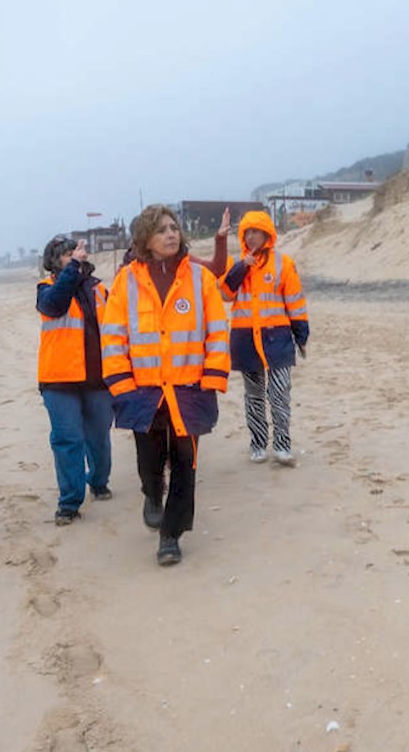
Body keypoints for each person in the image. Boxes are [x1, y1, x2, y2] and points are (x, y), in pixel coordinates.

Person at [102, 204, 230, 566]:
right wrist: (121, 384)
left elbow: (217, 332)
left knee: (186, 462)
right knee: (150, 460)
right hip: (143, 393)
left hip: (190, 390)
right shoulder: (125, 281)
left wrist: (213, 378)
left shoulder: (199, 279)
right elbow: (113, 337)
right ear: (145, 239)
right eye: (161, 230)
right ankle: (151, 493)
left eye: (174, 228)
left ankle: (170, 536)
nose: (171, 234)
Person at [220, 210, 309, 466]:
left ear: (267, 234)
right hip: (246, 340)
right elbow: (225, 293)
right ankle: (258, 443)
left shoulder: (283, 263)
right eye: (247, 232)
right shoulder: (235, 264)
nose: (252, 236)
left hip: (277, 339)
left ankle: (282, 445)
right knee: (254, 396)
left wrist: (301, 334)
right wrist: (241, 267)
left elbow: (295, 301)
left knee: (280, 394)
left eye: (257, 231)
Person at [37, 235, 113, 526]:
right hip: (59, 380)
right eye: (67, 254)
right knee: (67, 439)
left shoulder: (100, 289)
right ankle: (69, 502)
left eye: (75, 252)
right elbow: (54, 306)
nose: (73, 256)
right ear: (55, 262)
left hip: (98, 377)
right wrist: (73, 270)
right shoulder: (46, 289)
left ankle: (98, 480)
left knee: (98, 437)